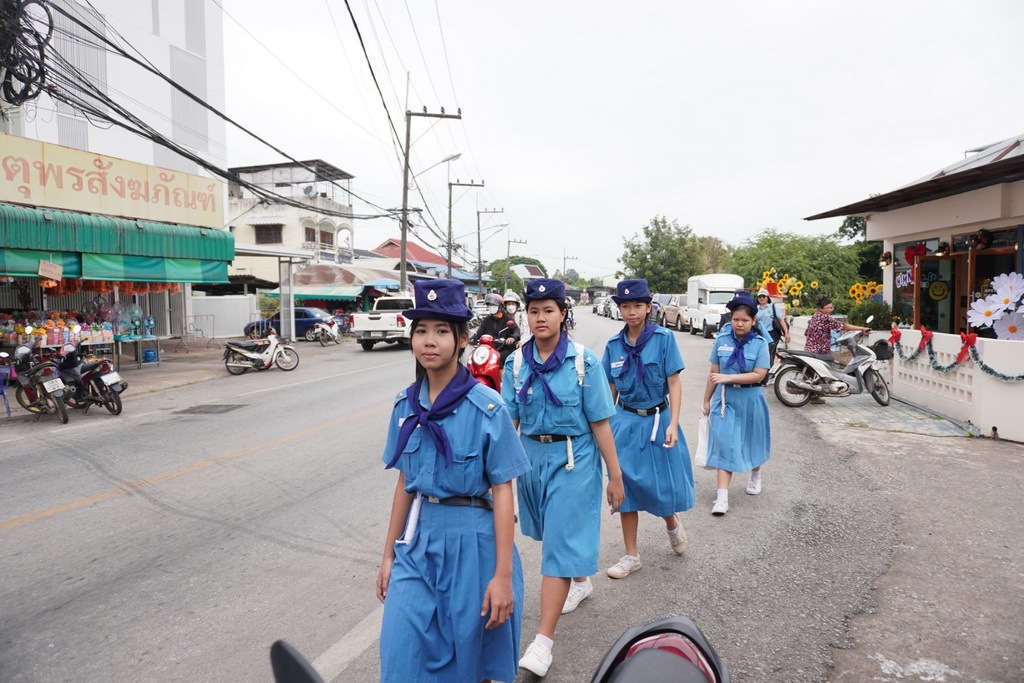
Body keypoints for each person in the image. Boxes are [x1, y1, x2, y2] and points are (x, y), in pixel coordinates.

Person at [376, 279, 531, 683]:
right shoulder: (405, 406)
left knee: (470, 665)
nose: (430, 341)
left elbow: (503, 492)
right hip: (418, 542)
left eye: (442, 331)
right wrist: (388, 555)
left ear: (462, 340)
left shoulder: (487, 407)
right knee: (399, 656)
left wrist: (502, 575)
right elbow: (404, 483)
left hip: (474, 545)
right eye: (421, 330)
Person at [502, 278, 625, 678]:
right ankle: (581, 580)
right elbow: (508, 427)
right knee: (550, 534)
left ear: (563, 314)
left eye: (548, 310)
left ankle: (542, 643)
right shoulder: (515, 364)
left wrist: (615, 476)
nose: (540, 318)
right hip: (532, 461)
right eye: (533, 311)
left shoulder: (583, 362)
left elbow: (601, 423)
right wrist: (497, 485)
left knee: (557, 543)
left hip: (575, 460)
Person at [601, 279, 695, 580]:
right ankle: (631, 555)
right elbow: (609, 392)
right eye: (626, 306)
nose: (631, 312)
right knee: (625, 486)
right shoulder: (613, 346)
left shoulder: (664, 339)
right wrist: (604, 430)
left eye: (637, 306)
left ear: (648, 307)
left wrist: (674, 423)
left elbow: (674, 383)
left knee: (660, 485)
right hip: (625, 422)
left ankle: (672, 523)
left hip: (658, 419)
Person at [702, 293, 772, 516]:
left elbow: (760, 375)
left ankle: (755, 475)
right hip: (725, 400)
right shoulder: (721, 340)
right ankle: (722, 498)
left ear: (753, 321)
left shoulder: (760, 344)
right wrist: (706, 400)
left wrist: (729, 377)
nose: (739, 324)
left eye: (744, 320)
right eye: (735, 319)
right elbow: (714, 372)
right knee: (726, 445)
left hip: (751, 399)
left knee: (753, 440)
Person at [804, 295, 870, 403]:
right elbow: (843, 326)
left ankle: (815, 396)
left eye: (832, 307)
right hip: (819, 350)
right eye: (828, 308)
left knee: (816, 372)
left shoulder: (815, 316)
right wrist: (862, 328)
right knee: (826, 371)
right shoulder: (825, 318)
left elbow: (807, 333)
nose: (831, 310)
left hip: (809, 348)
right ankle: (817, 395)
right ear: (821, 308)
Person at [471, 292, 521, 365]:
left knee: (499, 358)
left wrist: (512, 338)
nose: (491, 307)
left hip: (504, 348)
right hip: (489, 349)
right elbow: (479, 332)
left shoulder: (507, 319)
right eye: (490, 305)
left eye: (493, 305)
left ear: (500, 306)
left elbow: (516, 330)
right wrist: (472, 339)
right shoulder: (487, 320)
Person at [755, 288, 791, 367]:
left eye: (763, 296)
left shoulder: (773, 308)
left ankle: (769, 370)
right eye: (760, 297)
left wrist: (786, 332)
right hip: (759, 334)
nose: (761, 298)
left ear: (767, 297)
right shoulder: (755, 308)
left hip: (771, 334)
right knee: (759, 353)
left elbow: (781, 320)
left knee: (770, 353)